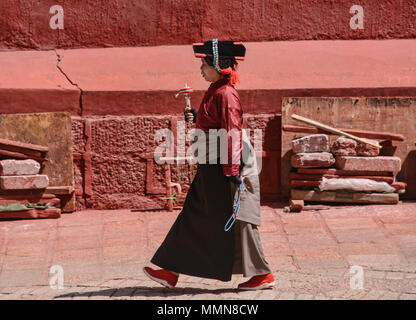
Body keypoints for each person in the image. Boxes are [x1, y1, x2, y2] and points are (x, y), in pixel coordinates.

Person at [143, 39, 274, 290]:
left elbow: (232, 133)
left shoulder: (226, 94)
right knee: (196, 215)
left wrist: (232, 172)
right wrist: (197, 118)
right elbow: (214, 124)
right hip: (211, 166)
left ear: (218, 65)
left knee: (239, 218)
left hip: (223, 167)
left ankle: (262, 274)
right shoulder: (215, 90)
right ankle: (170, 271)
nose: (201, 69)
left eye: (204, 64)